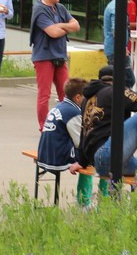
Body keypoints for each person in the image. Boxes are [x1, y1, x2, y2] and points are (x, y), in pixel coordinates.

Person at [37, 78, 106, 207]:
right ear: (78, 98)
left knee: (94, 154)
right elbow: (81, 142)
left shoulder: (61, 106)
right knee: (100, 158)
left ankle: (86, 201)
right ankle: (90, 202)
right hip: (57, 156)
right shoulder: (73, 113)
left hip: (45, 152)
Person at [30, 0, 81, 130]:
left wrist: (60, 25)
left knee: (67, 93)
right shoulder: (39, 9)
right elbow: (52, 32)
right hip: (44, 56)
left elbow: (76, 25)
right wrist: (64, 27)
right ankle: (45, 127)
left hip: (60, 55)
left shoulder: (60, 8)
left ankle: (66, 124)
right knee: (44, 94)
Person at [103, 0, 137, 89]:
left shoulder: (117, 5)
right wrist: (122, 47)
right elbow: (116, 30)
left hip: (114, 49)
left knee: (119, 81)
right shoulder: (116, 7)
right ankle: (121, 104)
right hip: (117, 50)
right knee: (128, 80)